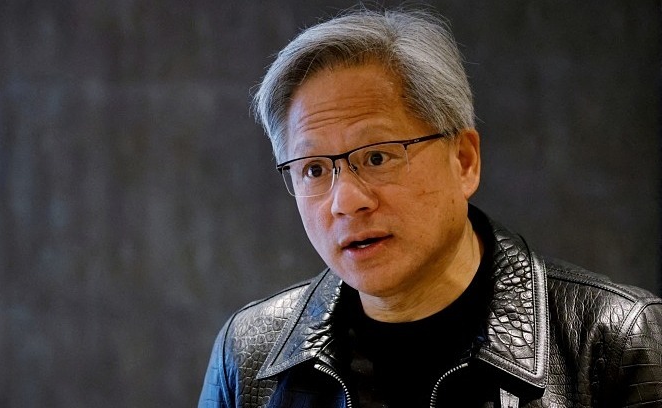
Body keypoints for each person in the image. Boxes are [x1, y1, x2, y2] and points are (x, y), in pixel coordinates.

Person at [198, 6, 662, 407]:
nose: (346, 202)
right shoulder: (249, 354)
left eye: (376, 157)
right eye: (314, 169)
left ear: (464, 161)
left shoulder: (617, 343)